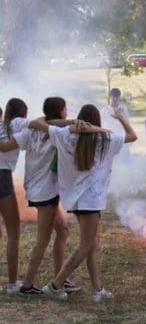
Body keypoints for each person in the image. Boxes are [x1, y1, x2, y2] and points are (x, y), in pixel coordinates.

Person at [36, 103, 137, 301]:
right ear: (97, 121)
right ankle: (55, 285)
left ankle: (97, 289)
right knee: (86, 244)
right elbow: (133, 136)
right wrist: (121, 118)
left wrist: (71, 123)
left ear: (80, 118)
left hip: (76, 199)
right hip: (91, 200)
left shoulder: (65, 135)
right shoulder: (105, 137)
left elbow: (40, 122)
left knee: (92, 243)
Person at [0, 98, 75, 296]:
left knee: (62, 230)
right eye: (65, 109)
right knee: (35, 237)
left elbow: (32, 127)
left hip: (35, 188)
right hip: (42, 190)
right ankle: (25, 285)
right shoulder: (50, 131)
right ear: (60, 111)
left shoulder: (24, 129)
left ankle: (61, 278)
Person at [0, 99, 28, 293]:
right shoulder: (14, 129)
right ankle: (11, 283)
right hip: (2, 177)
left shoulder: (5, 127)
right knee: (13, 232)